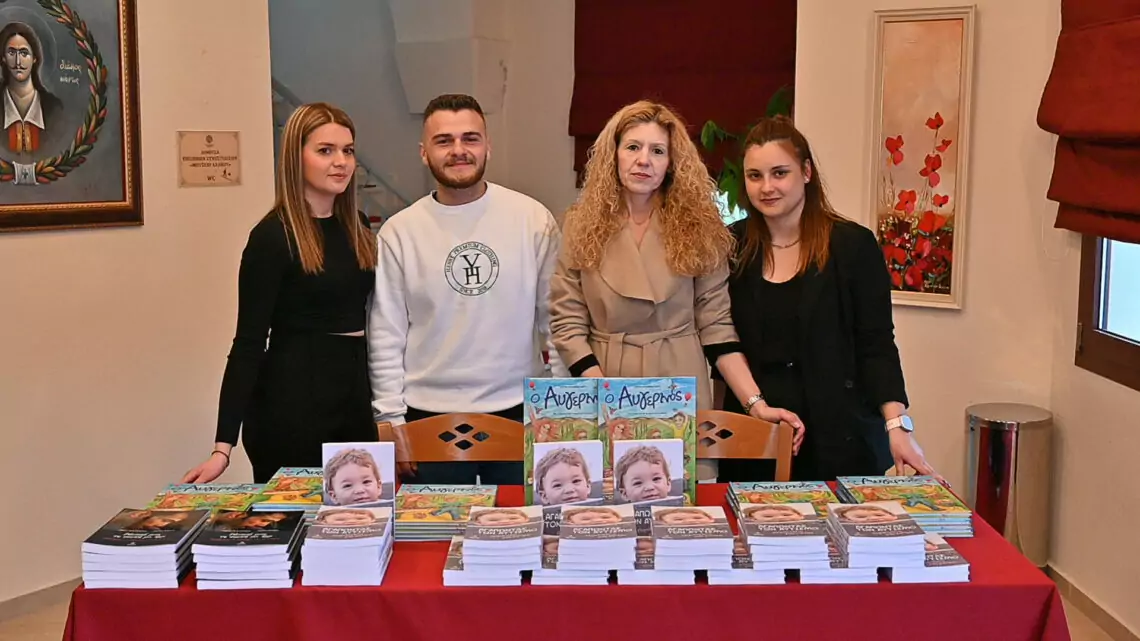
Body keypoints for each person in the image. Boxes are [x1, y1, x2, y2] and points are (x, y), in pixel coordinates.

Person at [548, 100, 805, 481]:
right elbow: (566, 320)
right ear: (613, 155)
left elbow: (717, 327)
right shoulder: (578, 224)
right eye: (633, 147)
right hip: (601, 382)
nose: (644, 160)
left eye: (657, 151)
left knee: (677, 497)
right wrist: (602, 392)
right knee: (606, 499)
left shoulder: (701, 227)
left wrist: (756, 404)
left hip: (679, 383)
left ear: (672, 162)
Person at [716, 114, 939, 483]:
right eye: (755, 176)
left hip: (840, 439)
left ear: (806, 172)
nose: (767, 187)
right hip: (755, 436)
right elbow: (719, 338)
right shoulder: (730, 247)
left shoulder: (853, 246)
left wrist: (898, 426)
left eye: (779, 173)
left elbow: (876, 345)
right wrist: (753, 405)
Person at [368, 93, 561, 485]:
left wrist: (558, 407)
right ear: (424, 153)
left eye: (470, 138)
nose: (459, 150)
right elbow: (386, 334)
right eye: (444, 141)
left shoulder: (532, 220)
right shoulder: (399, 233)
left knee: (520, 523)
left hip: (520, 412)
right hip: (427, 419)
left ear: (488, 145)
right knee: (433, 525)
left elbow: (555, 320)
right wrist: (390, 419)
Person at [181, 103, 379, 484]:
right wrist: (223, 447)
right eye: (325, 150)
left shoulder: (355, 225)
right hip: (293, 406)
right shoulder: (272, 237)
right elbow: (249, 343)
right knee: (294, 520)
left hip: (352, 399)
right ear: (296, 158)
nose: (341, 162)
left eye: (348, 150)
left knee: (359, 513)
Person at [1, 22, 62, 155]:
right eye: (11, 52)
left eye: (24, 53)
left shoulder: (54, 108)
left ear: (35, 58)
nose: (18, 61)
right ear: (3, 58)